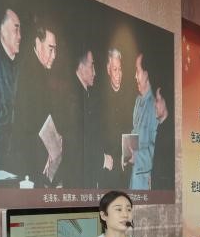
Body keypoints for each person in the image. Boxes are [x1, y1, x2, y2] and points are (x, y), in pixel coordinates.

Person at [13, 17, 60, 185]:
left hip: (40, 157)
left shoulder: (40, 70)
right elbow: (26, 125)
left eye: (55, 50)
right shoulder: (28, 71)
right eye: (50, 49)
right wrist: (45, 152)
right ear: (38, 44)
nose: (54, 56)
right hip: (30, 161)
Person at [90, 48, 133, 190]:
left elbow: (132, 131)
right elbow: (94, 135)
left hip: (125, 168)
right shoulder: (99, 98)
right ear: (108, 70)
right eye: (115, 70)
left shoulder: (129, 97)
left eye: (120, 69)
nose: (118, 74)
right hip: (107, 170)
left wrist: (128, 156)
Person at [57, 46, 96, 189]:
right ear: (81, 67)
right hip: (76, 175)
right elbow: (77, 140)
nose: (95, 72)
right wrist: (101, 159)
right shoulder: (73, 95)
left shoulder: (82, 92)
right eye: (92, 66)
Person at [0, 8, 21, 173]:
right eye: (16, 30)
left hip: (14, 158)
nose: (20, 36)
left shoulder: (18, 64)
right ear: (2, 30)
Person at [129, 52, 160, 190]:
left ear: (146, 75)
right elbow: (135, 133)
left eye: (137, 71)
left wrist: (136, 157)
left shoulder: (154, 106)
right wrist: (126, 153)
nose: (135, 76)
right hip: (134, 177)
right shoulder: (138, 101)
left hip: (145, 182)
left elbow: (155, 150)